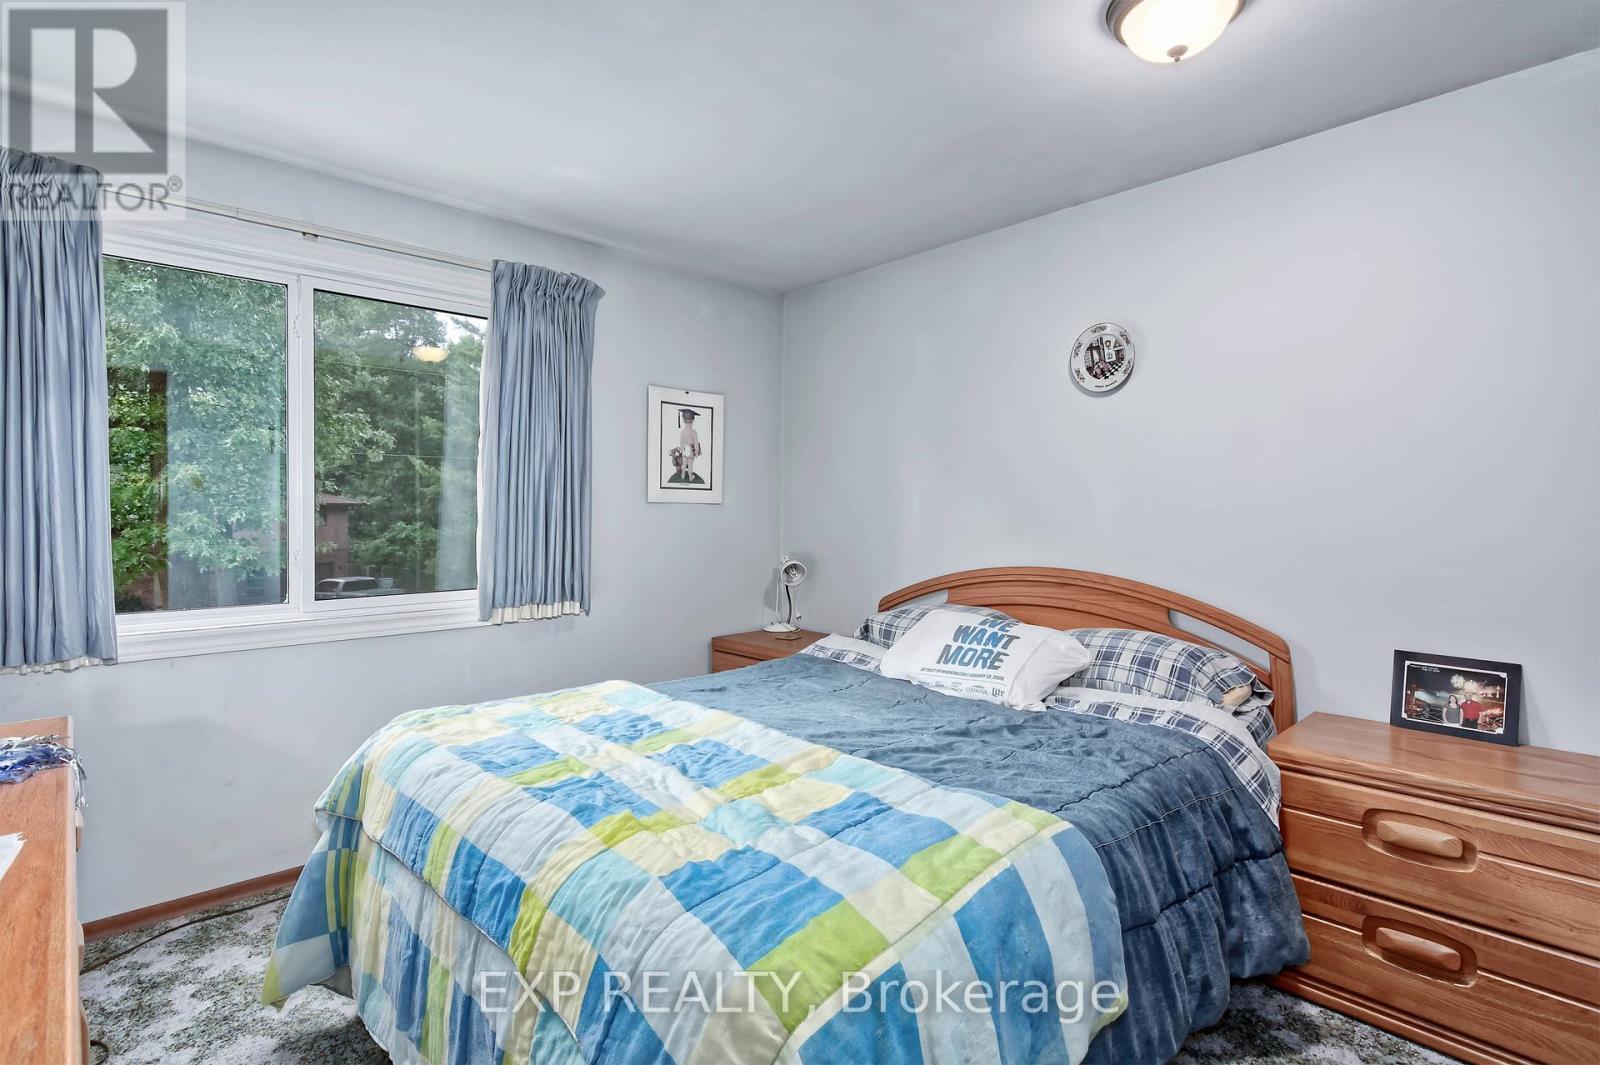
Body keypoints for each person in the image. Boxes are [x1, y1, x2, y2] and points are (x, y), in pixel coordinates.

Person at [678, 408, 703, 483]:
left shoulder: (682, 432)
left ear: (683, 420)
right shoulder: (693, 432)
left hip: (685, 449)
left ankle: (682, 474)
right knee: (690, 464)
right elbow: (695, 443)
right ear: (692, 420)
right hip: (691, 449)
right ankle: (690, 476)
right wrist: (696, 452)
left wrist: (682, 451)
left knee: (684, 463)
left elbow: (681, 442)